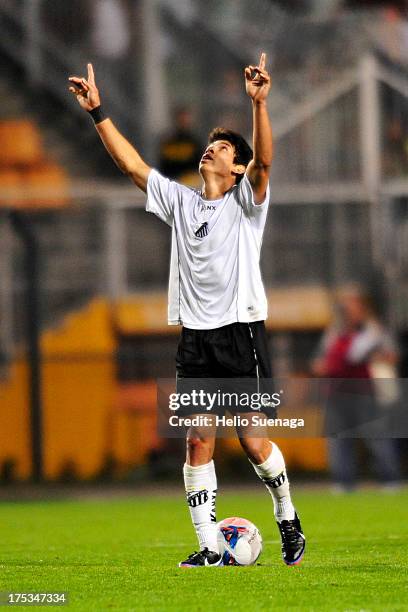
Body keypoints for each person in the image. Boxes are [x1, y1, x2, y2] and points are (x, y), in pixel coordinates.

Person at [68, 54, 305, 567]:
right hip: (195, 338)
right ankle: (208, 547)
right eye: (211, 144)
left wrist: (259, 105)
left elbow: (264, 162)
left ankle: (287, 515)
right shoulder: (181, 201)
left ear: (236, 167)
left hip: (241, 331)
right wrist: (97, 112)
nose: (211, 149)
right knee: (198, 439)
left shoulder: (247, 201)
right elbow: (132, 166)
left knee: (252, 440)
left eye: (221, 147)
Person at [312, 286, 401, 492]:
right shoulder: (334, 332)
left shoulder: (373, 331)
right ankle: (343, 482)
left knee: (377, 437)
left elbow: (391, 355)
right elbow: (322, 361)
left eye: (353, 305)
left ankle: (390, 479)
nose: (348, 310)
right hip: (336, 393)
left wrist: (378, 358)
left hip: (363, 393)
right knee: (339, 441)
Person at [158, 107, 202, 185]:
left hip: (190, 183)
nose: (183, 121)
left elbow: (199, 165)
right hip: (172, 182)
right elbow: (164, 165)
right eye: (181, 118)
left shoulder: (194, 142)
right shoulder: (168, 142)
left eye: (185, 118)